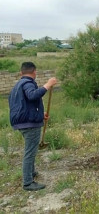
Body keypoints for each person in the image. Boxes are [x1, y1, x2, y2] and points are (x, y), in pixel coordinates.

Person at [8, 62, 57, 191]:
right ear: (34, 72)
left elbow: (24, 105)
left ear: (21, 73)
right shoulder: (28, 84)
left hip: (22, 123)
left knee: (31, 150)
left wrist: (40, 114)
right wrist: (47, 85)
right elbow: (32, 95)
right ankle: (28, 182)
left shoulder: (17, 86)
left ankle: (31, 172)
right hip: (29, 125)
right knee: (30, 152)